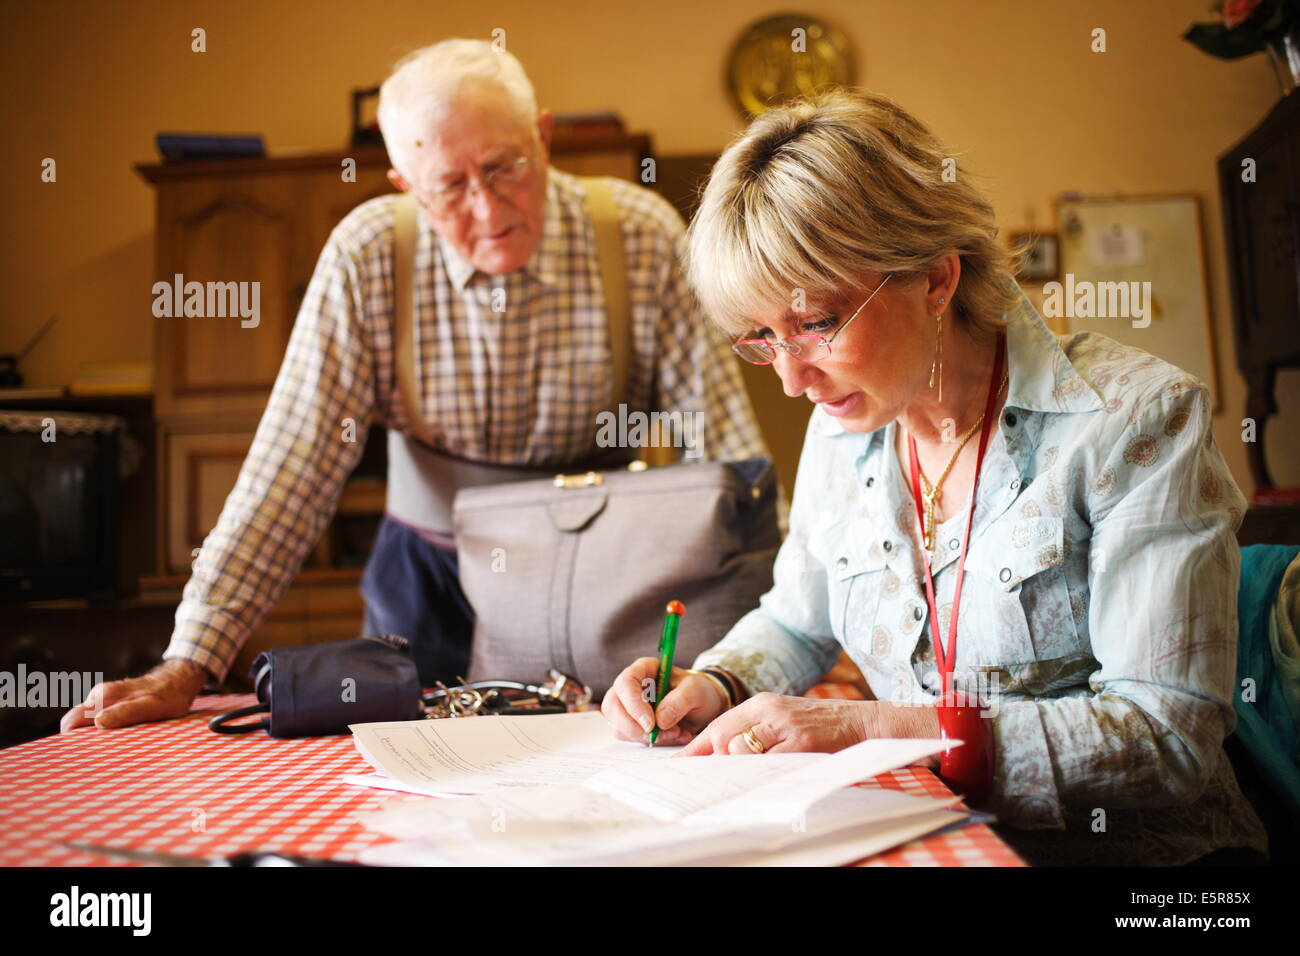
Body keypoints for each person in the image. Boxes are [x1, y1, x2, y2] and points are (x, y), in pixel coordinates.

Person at [602, 88, 1268, 866]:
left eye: (816, 323)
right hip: (932, 838)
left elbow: (1168, 735)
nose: (792, 380)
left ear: (936, 278)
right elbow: (796, 619)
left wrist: (875, 728)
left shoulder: (1135, 420)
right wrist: (712, 684)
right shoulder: (842, 431)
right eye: (762, 338)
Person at [61, 39, 767, 733]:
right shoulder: (369, 255)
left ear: (543, 137)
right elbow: (288, 474)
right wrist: (190, 661)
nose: (489, 211)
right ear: (406, 187)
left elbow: (726, 454)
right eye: (452, 188)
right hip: (424, 581)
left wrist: (777, 644)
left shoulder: (640, 236)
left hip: (602, 575)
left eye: (504, 168)